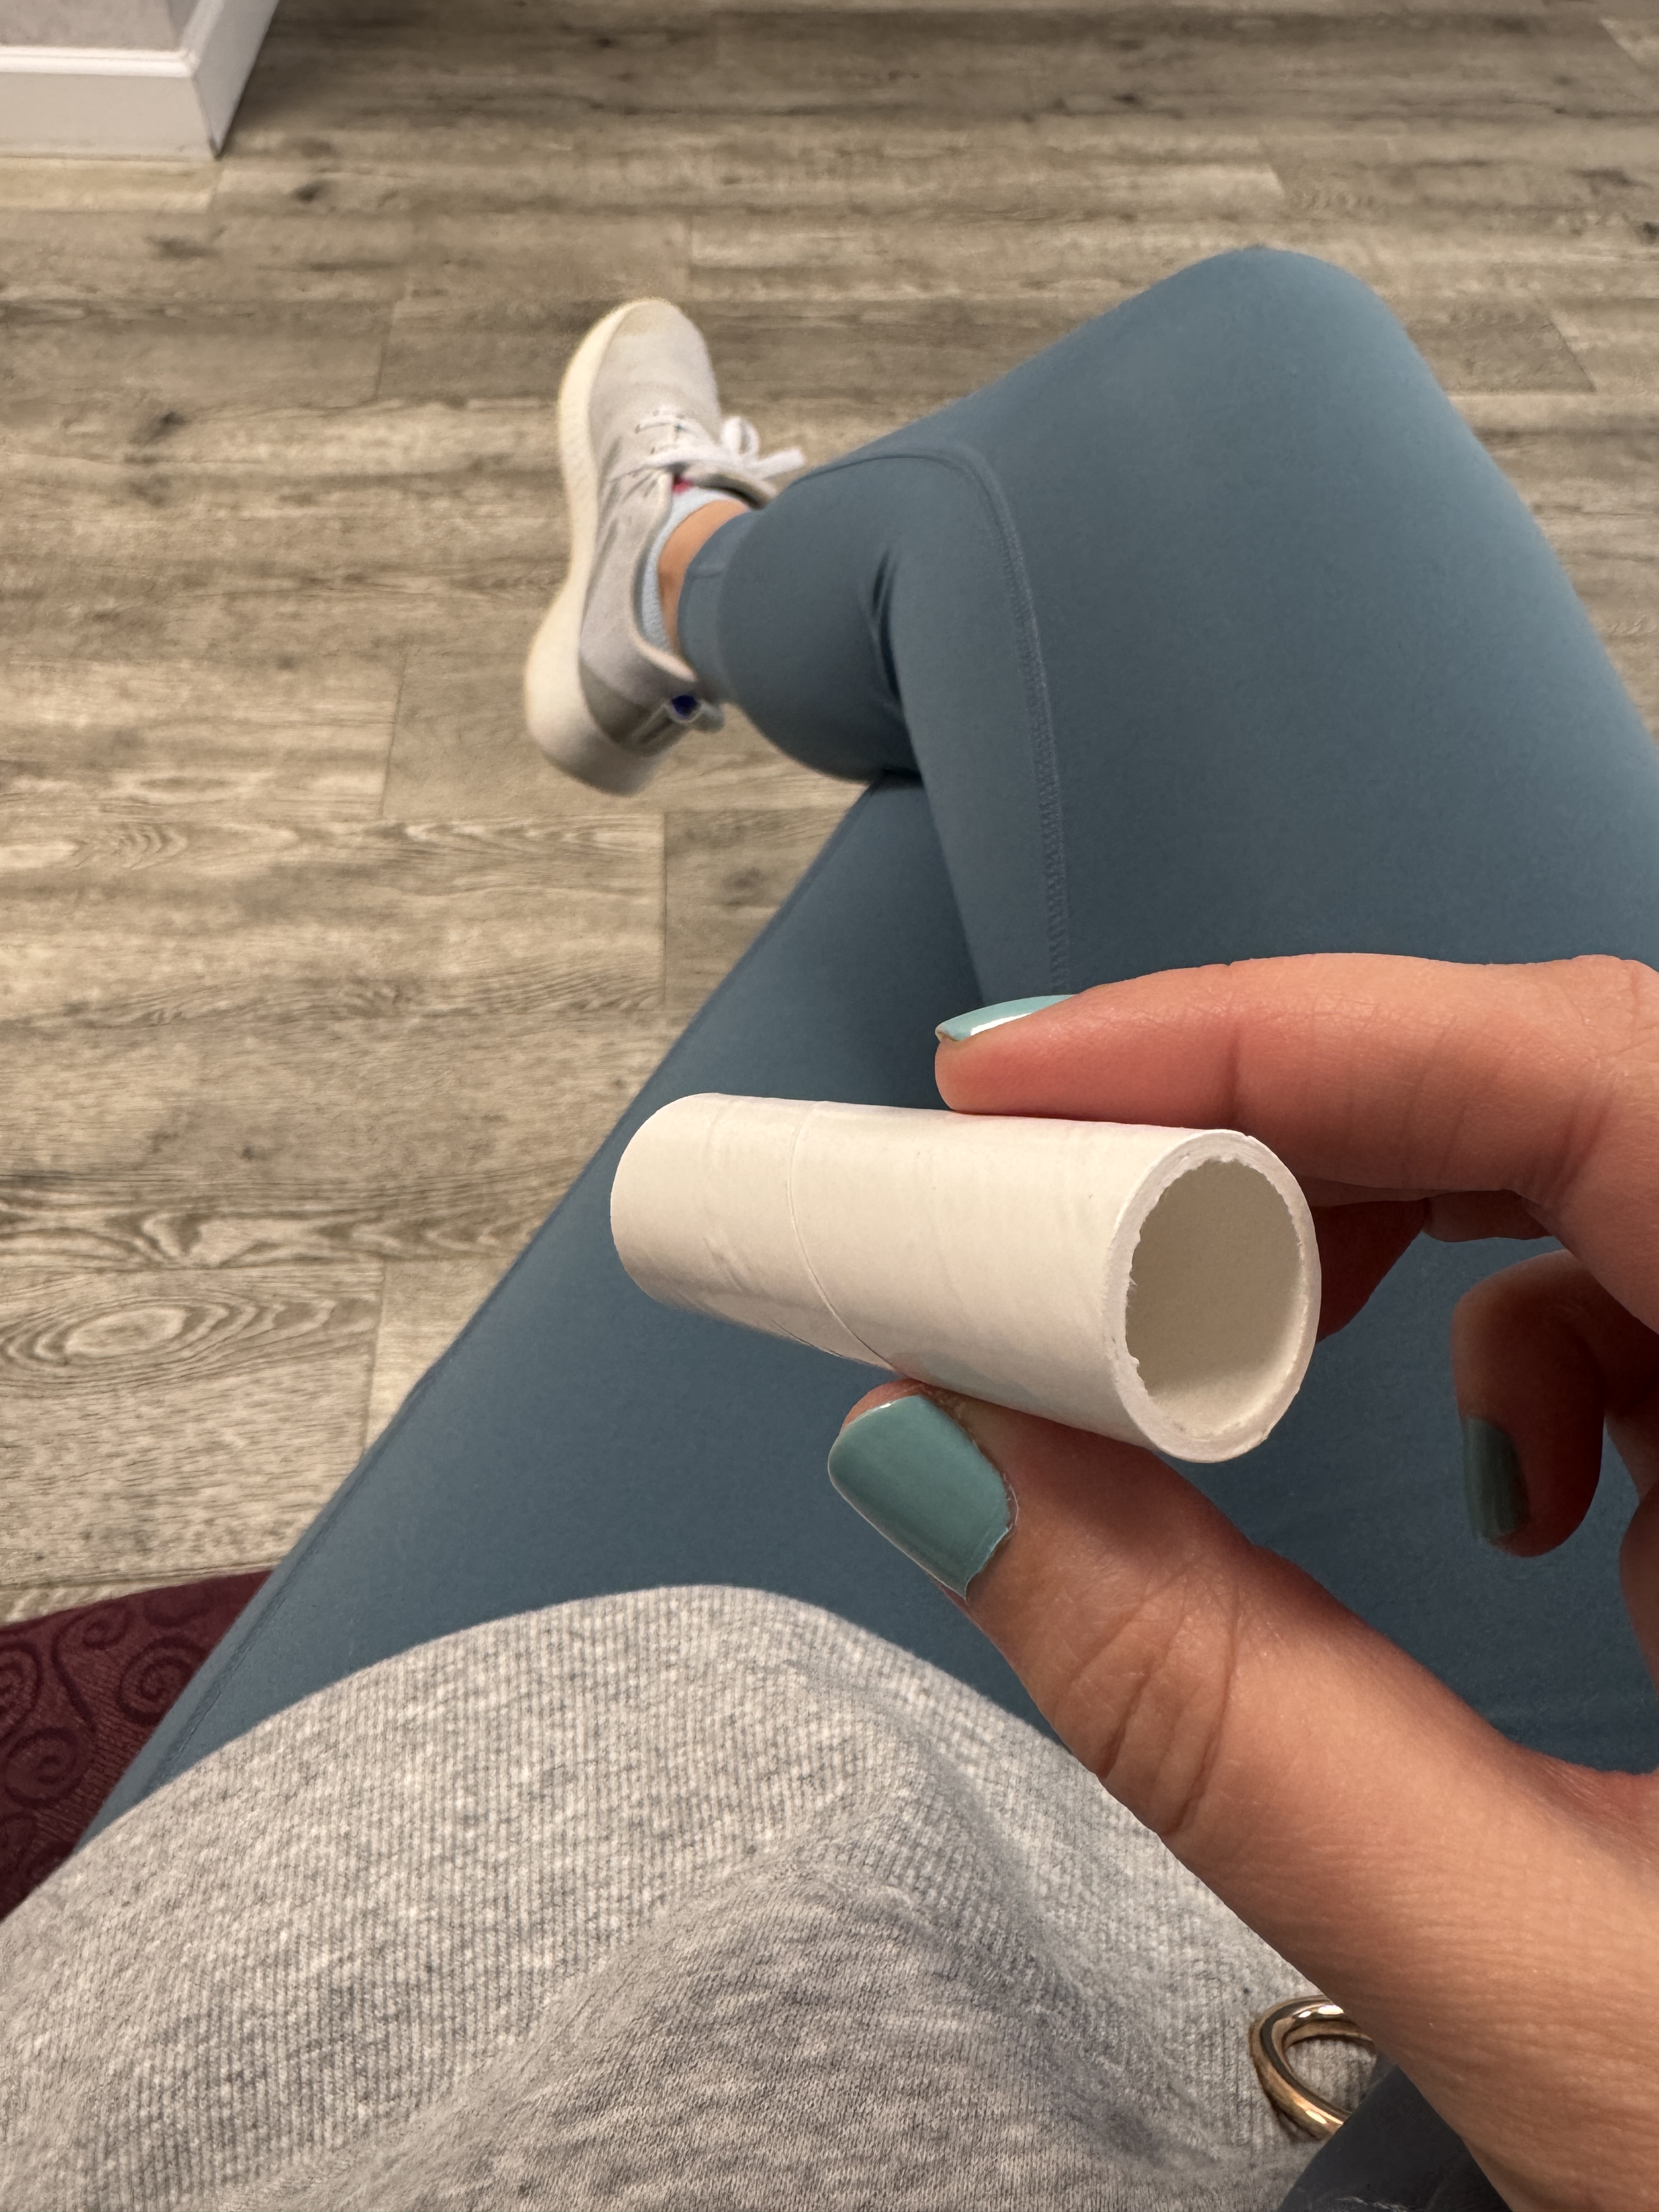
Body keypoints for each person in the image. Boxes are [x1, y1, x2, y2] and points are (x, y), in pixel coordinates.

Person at [2, 245, 1656, 2211]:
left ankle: (687, 579)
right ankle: (684, 585)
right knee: (1120, 613)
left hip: (505, 1967)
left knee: (1186, 439)